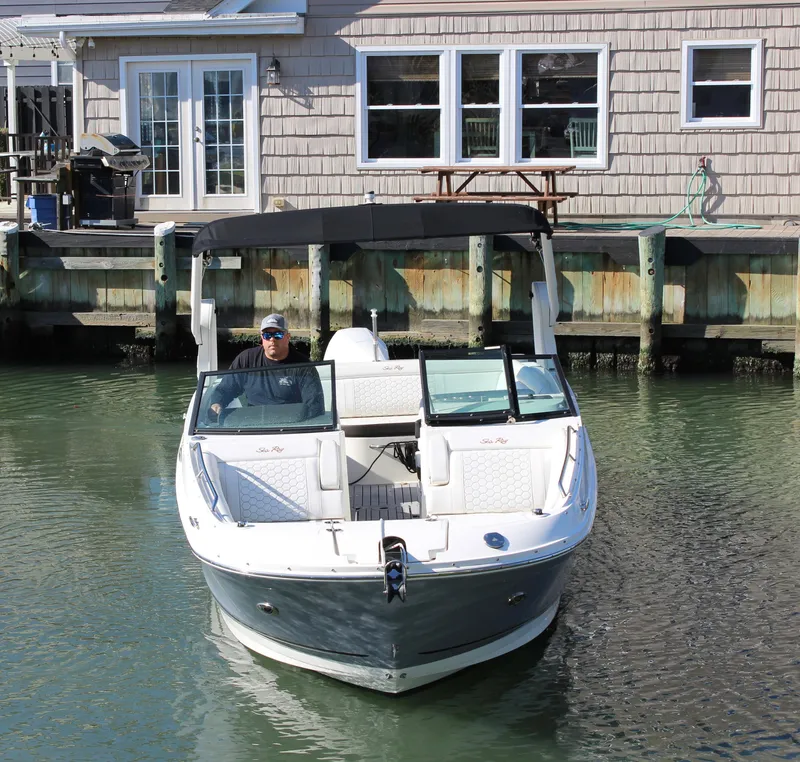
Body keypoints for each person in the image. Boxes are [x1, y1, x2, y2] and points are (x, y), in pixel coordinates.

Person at [208, 314, 324, 421]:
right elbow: (225, 389)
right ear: (262, 338)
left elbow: (314, 405)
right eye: (267, 335)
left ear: (288, 337)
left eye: (278, 334)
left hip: (291, 424)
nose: (272, 339)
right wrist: (217, 403)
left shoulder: (303, 366)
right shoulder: (246, 359)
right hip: (254, 423)